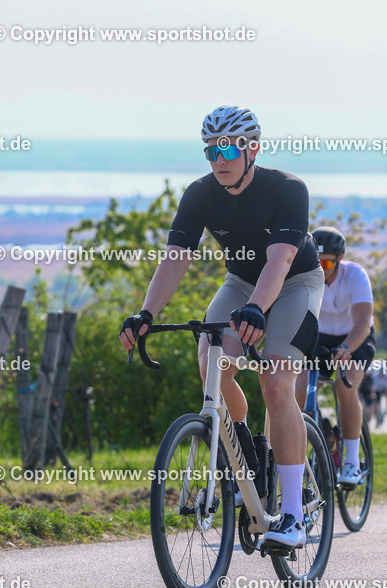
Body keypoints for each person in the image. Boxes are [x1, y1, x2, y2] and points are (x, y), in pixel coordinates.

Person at [119, 105, 324, 550]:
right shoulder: (199, 193)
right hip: (242, 282)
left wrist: (256, 309)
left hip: (295, 283)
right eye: (211, 150)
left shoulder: (288, 189)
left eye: (228, 148)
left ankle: (292, 514)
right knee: (211, 359)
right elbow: (176, 258)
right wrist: (145, 313)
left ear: (253, 149)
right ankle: (246, 449)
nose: (219, 158)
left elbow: (281, 259)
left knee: (275, 382)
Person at [294, 226, 375, 487]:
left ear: (339, 260)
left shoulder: (356, 276)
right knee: (297, 387)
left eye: (326, 263)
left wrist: (347, 347)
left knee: (345, 384)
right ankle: (301, 453)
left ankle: (351, 461)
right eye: (315, 261)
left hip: (354, 337)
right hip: (319, 337)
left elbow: (363, 323)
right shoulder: (304, 273)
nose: (321, 268)